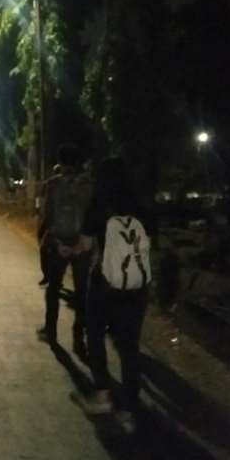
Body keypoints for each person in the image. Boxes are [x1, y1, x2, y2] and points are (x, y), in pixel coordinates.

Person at [80, 158, 151, 433]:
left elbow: (86, 243)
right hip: (136, 287)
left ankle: (103, 394)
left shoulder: (98, 203)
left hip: (104, 284)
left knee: (95, 335)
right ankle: (130, 408)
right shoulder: (141, 206)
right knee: (129, 347)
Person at [37, 144, 92, 354]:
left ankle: (51, 331)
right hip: (82, 246)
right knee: (81, 293)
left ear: (61, 161)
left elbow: (47, 215)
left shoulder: (52, 185)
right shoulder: (88, 185)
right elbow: (93, 214)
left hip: (59, 244)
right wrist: (84, 243)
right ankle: (79, 339)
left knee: (53, 289)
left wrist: (53, 241)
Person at [37, 164, 61, 286]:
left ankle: (48, 276)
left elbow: (42, 201)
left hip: (52, 223)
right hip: (70, 226)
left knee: (43, 249)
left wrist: (39, 212)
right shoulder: (75, 183)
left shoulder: (49, 183)